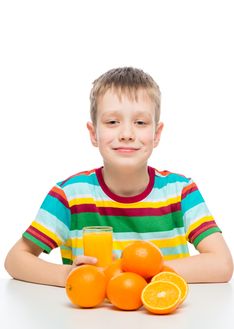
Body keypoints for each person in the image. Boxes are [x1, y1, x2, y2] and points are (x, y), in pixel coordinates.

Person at [4, 67, 233, 287]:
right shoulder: (70, 195)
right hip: (90, 321)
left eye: (140, 123)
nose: (126, 134)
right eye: (112, 122)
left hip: (163, 316)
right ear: (94, 133)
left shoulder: (180, 191)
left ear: (156, 134)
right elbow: (15, 260)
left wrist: (142, 271)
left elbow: (221, 264)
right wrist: (68, 275)